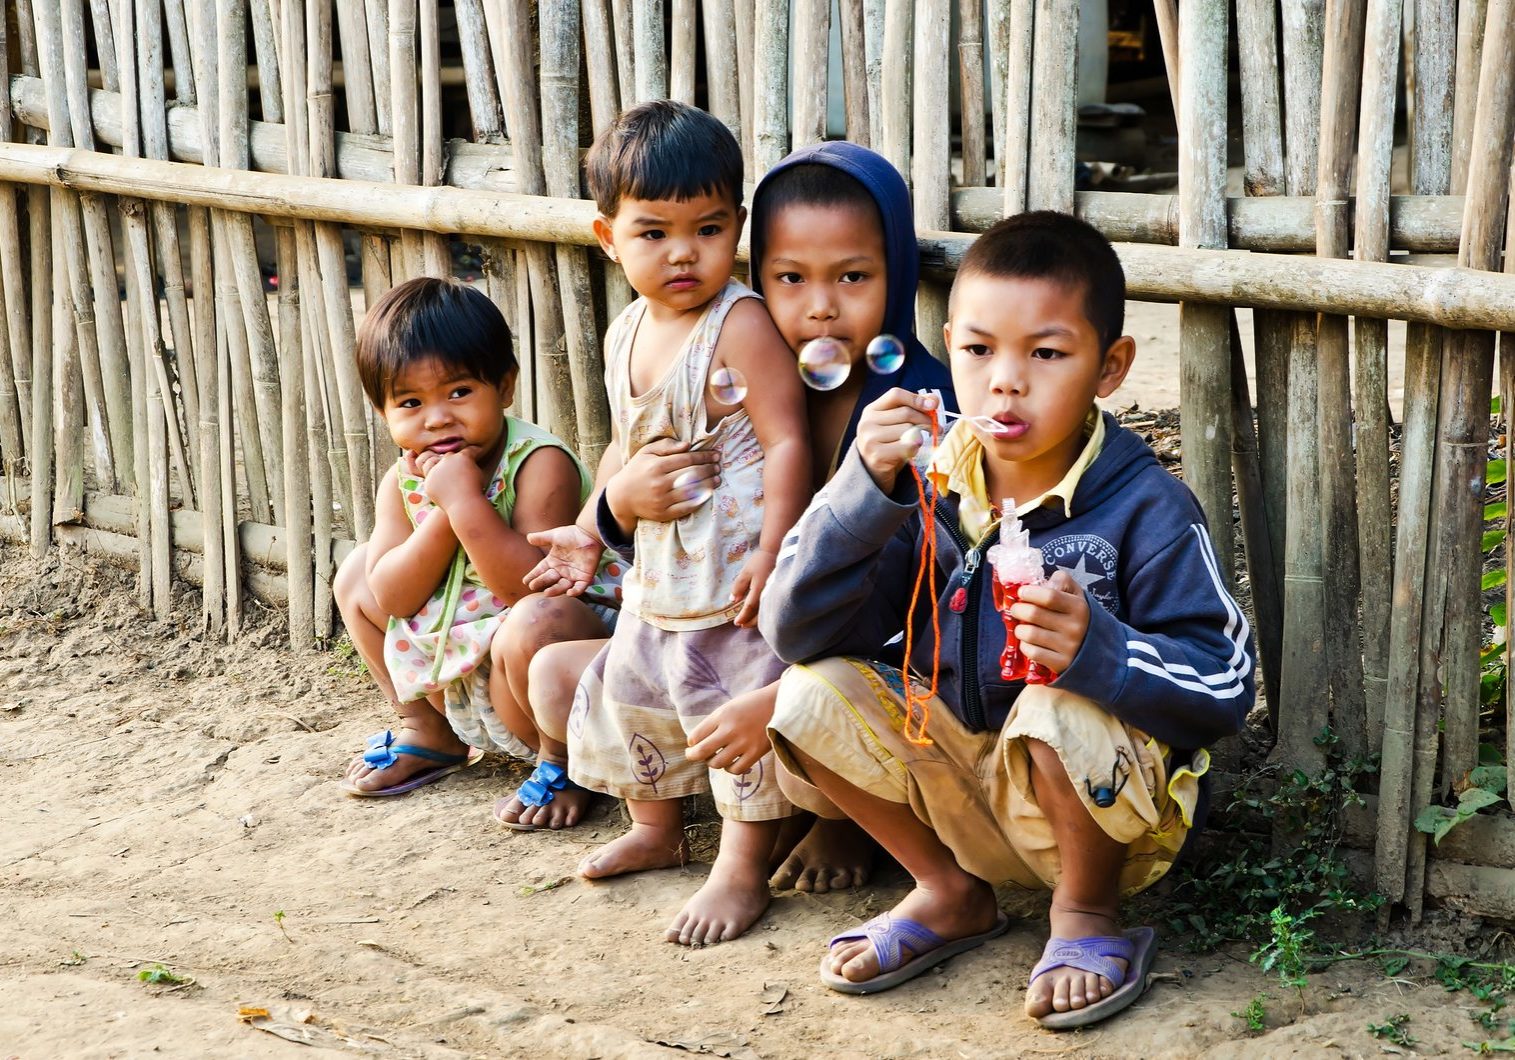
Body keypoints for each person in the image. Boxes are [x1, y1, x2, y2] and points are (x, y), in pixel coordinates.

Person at [760, 211, 1254, 1029]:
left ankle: (1086, 916)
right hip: (955, 794)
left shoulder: (1146, 508)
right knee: (806, 692)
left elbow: (1227, 679)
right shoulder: (924, 488)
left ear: (1111, 366)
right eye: (979, 350)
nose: (1005, 381)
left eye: (1046, 353)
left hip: (1105, 821)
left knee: (1059, 697)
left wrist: (1104, 650)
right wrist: (860, 491)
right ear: (947, 345)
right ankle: (948, 892)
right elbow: (798, 632)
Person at [501, 141, 957, 897]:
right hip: (709, 616)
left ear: (896, 272)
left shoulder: (916, 408)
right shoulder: (733, 361)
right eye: (789, 278)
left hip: (850, 664)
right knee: (552, 669)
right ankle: (662, 822)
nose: (819, 305)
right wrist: (604, 515)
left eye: (853, 277)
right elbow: (640, 448)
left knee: (781, 705)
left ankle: (835, 820)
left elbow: (925, 599)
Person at [523, 100, 810, 947]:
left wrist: (773, 549)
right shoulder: (626, 332)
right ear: (607, 237)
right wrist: (586, 526)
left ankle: (739, 866)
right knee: (636, 688)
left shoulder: (742, 323)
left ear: (737, 229)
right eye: (653, 232)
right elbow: (624, 444)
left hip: (730, 572)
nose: (684, 253)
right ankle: (654, 828)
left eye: (708, 228)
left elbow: (788, 435)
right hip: (659, 570)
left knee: (726, 702)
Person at [336, 277, 620, 800]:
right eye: (411, 403)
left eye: (460, 392)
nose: (439, 416)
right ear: (383, 413)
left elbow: (527, 588)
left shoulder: (539, 463)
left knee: (536, 619)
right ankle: (431, 734)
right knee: (357, 572)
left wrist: (467, 503)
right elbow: (391, 597)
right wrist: (445, 511)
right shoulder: (402, 481)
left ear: (505, 387)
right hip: (458, 669)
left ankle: (569, 764)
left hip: (535, 675)